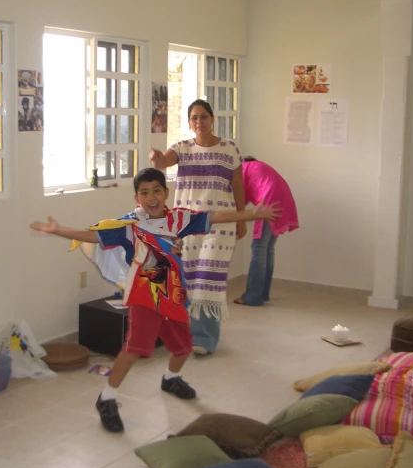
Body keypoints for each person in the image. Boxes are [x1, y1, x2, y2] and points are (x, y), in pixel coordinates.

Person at [29, 168, 279, 432]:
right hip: (144, 293)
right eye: (145, 192)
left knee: (183, 346)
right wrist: (58, 230)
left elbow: (215, 217)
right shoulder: (130, 226)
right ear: (137, 197)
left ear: (166, 193)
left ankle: (170, 379)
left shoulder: (179, 219)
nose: (151, 197)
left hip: (173, 293)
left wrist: (253, 214)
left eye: (156, 190)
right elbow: (94, 236)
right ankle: (107, 398)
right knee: (135, 346)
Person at [149, 99, 245, 356]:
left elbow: (238, 186)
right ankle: (187, 333)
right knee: (189, 278)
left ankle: (205, 338)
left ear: (212, 118)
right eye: (194, 118)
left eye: (203, 116)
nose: (199, 122)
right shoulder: (182, 148)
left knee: (208, 277)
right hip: (188, 225)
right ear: (189, 122)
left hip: (220, 223)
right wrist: (157, 159)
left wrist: (241, 218)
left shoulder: (230, 149)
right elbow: (164, 162)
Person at [233, 156, 299, 307]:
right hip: (282, 197)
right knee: (267, 248)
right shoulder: (258, 167)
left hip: (270, 199)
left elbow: (240, 197)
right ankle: (262, 293)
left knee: (259, 248)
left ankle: (252, 296)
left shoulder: (242, 168)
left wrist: (234, 216)